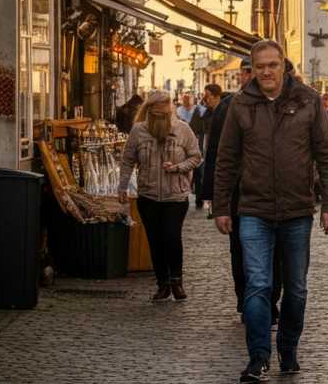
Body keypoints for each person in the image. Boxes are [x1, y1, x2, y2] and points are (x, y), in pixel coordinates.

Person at [213, 40, 328, 384]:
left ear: (284, 65)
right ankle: (258, 357)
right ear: (251, 70)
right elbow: (226, 161)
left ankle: (287, 348)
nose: (266, 72)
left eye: (273, 65)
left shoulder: (308, 100)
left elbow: (327, 156)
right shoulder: (241, 104)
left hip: (298, 209)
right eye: (260, 66)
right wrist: (221, 206)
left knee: (296, 288)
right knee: (258, 284)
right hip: (253, 208)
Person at [199, 61, 283, 322]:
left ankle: (264, 301)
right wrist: (213, 194)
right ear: (247, 74)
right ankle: (251, 300)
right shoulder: (230, 105)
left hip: (276, 191)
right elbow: (216, 153)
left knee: (272, 249)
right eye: (255, 70)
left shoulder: (283, 102)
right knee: (242, 248)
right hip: (238, 191)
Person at [118, 90, 203, 300]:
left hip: (176, 196)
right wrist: (122, 187)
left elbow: (196, 157)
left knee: (172, 237)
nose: (159, 120)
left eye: (163, 116)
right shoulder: (138, 131)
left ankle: (177, 281)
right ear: (149, 112)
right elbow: (128, 159)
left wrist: (178, 167)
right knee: (155, 240)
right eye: (155, 115)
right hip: (148, 195)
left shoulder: (182, 129)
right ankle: (162, 283)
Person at [193, 84, 223, 208]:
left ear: (217, 97)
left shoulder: (224, 111)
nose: (206, 99)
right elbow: (198, 128)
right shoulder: (206, 113)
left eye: (208, 96)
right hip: (208, 149)